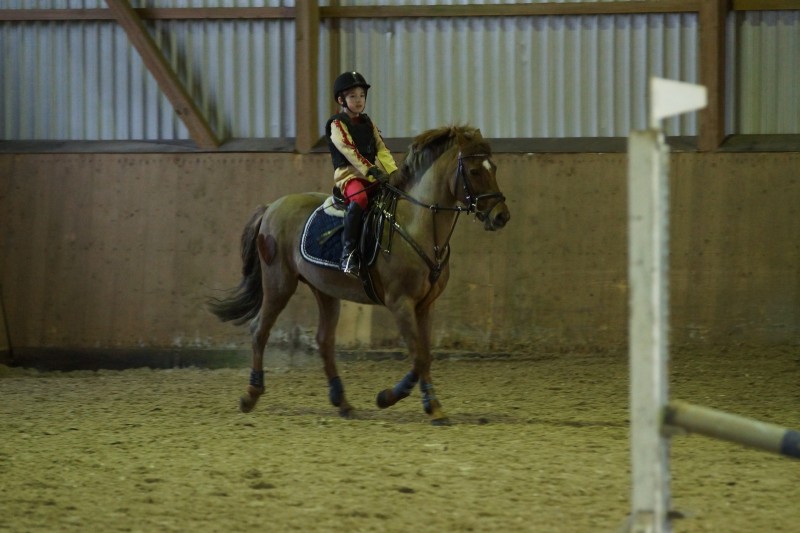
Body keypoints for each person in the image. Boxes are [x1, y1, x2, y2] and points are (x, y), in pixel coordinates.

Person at [325, 71, 398, 277]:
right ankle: (348, 253)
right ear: (341, 100)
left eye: (362, 96)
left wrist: (393, 172)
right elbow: (349, 150)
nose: (358, 100)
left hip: (370, 175)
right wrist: (371, 169)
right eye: (353, 96)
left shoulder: (368, 123)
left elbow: (381, 149)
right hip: (349, 175)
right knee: (360, 199)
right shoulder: (337, 124)